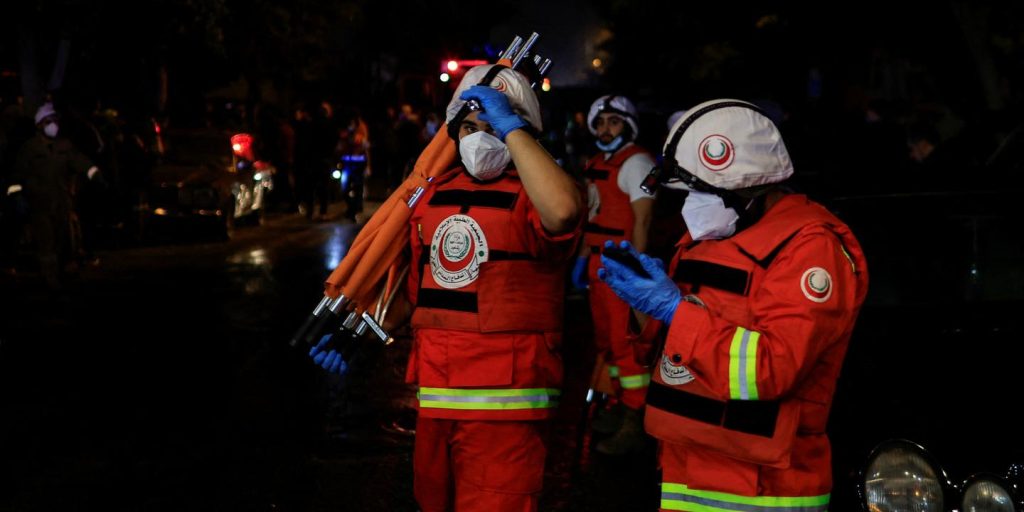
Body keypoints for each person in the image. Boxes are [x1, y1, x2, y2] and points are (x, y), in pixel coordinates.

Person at [310, 64, 583, 511]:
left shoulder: (541, 192)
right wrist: (357, 335)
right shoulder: (432, 195)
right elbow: (418, 295)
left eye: (494, 126)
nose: (481, 137)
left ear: (522, 131)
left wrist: (512, 127)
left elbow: (564, 214)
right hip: (437, 401)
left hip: (507, 410)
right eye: (470, 126)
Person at [597, 99, 869, 511]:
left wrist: (674, 309)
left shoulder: (811, 249)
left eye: (700, 190)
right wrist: (644, 301)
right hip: (687, 469)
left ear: (747, 184)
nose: (690, 205)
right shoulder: (712, 234)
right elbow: (668, 355)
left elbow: (770, 370)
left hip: (764, 488)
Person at [572, 94, 656, 455]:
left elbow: (643, 219)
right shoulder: (595, 161)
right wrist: (582, 257)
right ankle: (619, 406)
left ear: (629, 125)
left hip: (621, 265)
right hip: (599, 263)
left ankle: (637, 420)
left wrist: (636, 270)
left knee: (627, 345)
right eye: (601, 121)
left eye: (614, 122)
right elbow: (593, 214)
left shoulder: (637, 162)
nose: (606, 129)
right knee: (607, 342)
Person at [8, 102, 100, 291]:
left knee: (63, 240)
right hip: (39, 203)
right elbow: (17, 174)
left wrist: (95, 173)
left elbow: (80, 162)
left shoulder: (64, 146)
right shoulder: (30, 149)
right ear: (40, 124)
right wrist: (17, 197)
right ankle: (50, 280)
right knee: (46, 242)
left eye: (55, 121)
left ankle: (60, 275)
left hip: (62, 201)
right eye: (50, 121)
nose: (54, 125)